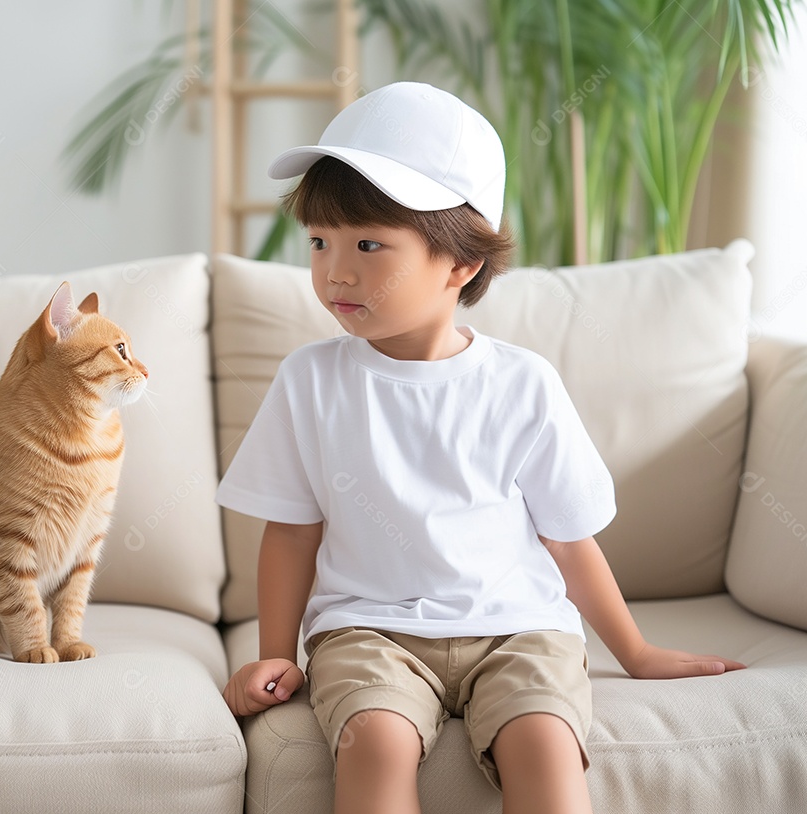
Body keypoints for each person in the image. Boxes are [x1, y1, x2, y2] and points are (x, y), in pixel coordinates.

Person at [216, 82, 746, 814]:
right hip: (368, 633)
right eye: (319, 241)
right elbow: (291, 532)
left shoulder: (522, 383)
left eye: (368, 245)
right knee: (375, 744)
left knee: (545, 744)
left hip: (521, 630)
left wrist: (636, 651)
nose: (334, 270)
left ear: (461, 264)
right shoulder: (309, 379)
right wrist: (277, 655)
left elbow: (569, 541)